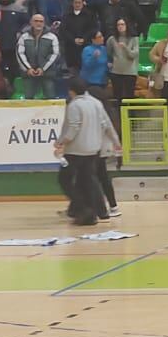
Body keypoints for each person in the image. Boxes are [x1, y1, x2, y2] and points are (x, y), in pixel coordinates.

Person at [53, 76, 116, 225]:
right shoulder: (96, 103)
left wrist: (61, 142)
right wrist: (116, 142)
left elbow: (73, 128)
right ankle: (101, 211)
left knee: (65, 180)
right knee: (89, 180)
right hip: (93, 149)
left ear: (71, 91)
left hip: (76, 150)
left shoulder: (75, 105)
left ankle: (83, 209)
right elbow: (107, 124)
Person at [15, 13, 62, 99]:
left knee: (50, 97)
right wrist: (28, 68)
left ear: (44, 23)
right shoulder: (24, 37)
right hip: (28, 73)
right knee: (29, 98)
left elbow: (55, 54)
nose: (38, 23)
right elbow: (20, 53)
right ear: (31, 22)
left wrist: (43, 68)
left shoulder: (52, 37)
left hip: (47, 72)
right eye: (36, 21)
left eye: (41, 21)